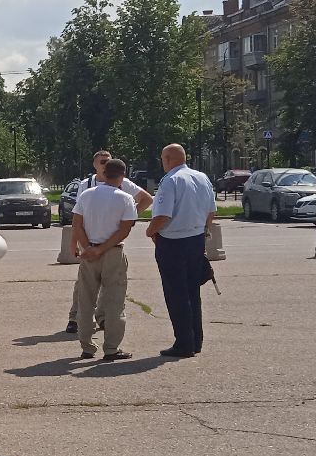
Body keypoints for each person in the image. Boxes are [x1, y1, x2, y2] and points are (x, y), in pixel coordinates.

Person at [66, 150, 154, 333]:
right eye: (102, 161)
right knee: (83, 285)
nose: (106, 164)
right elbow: (77, 220)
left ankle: (103, 317)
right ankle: (75, 317)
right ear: (95, 165)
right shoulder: (86, 185)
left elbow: (146, 199)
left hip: (112, 241)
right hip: (89, 242)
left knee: (109, 284)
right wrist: (75, 243)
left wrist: (128, 217)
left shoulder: (124, 185)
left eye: (108, 161)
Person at [146, 143, 216, 358]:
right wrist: (202, 231)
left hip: (173, 242)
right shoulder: (201, 177)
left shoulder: (171, 181)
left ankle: (184, 342)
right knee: (192, 292)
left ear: (167, 159)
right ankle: (196, 340)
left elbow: (163, 216)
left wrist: (150, 231)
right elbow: (211, 211)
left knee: (176, 294)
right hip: (195, 240)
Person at [70, 158, 138, 361]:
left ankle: (87, 347)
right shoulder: (125, 198)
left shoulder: (87, 195)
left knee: (85, 300)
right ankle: (111, 348)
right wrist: (103, 248)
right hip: (113, 252)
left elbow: (77, 225)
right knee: (114, 301)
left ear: (104, 173)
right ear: (123, 176)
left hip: (88, 253)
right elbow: (124, 229)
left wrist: (89, 247)